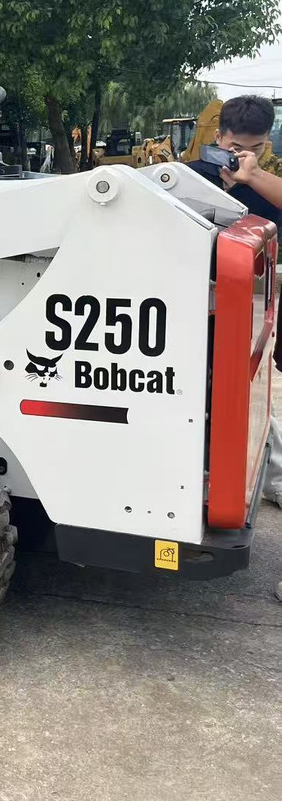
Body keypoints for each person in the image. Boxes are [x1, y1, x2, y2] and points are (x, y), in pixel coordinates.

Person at [187, 96, 282, 602]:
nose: (244, 155)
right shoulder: (192, 175)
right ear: (219, 138)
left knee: (241, 396)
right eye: (235, 147)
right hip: (192, 313)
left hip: (240, 314)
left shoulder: (262, 184)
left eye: (256, 148)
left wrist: (251, 178)